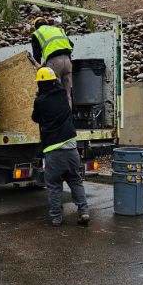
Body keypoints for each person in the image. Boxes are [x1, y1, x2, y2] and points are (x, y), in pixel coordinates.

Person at [31, 66, 89, 227]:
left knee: (54, 186)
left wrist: (38, 99)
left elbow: (35, 118)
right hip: (71, 149)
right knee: (76, 181)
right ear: (54, 81)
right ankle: (84, 211)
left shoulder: (40, 101)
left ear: (40, 84)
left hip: (53, 151)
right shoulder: (63, 94)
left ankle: (56, 218)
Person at [30, 17, 74, 106]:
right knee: (67, 95)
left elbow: (37, 55)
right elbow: (71, 45)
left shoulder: (37, 33)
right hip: (67, 61)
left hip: (54, 63)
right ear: (46, 23)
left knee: (55, 93)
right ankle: (68, 118)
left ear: (36, 26)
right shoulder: (59, 30)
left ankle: (57, 118)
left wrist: (39, 68)